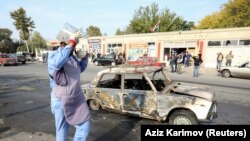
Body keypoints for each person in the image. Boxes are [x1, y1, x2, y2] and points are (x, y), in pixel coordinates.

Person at [47, 35, 90, 141]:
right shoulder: (53, 56)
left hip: (75, 97)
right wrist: (71, 44)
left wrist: (84, 59)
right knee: (62, 129)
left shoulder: (72, 57)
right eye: (73, 45)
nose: (74, 48)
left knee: (84, 126)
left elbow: (79, 69)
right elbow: (57, 64)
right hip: (60, 100)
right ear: (64, 44)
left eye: (75, 45)